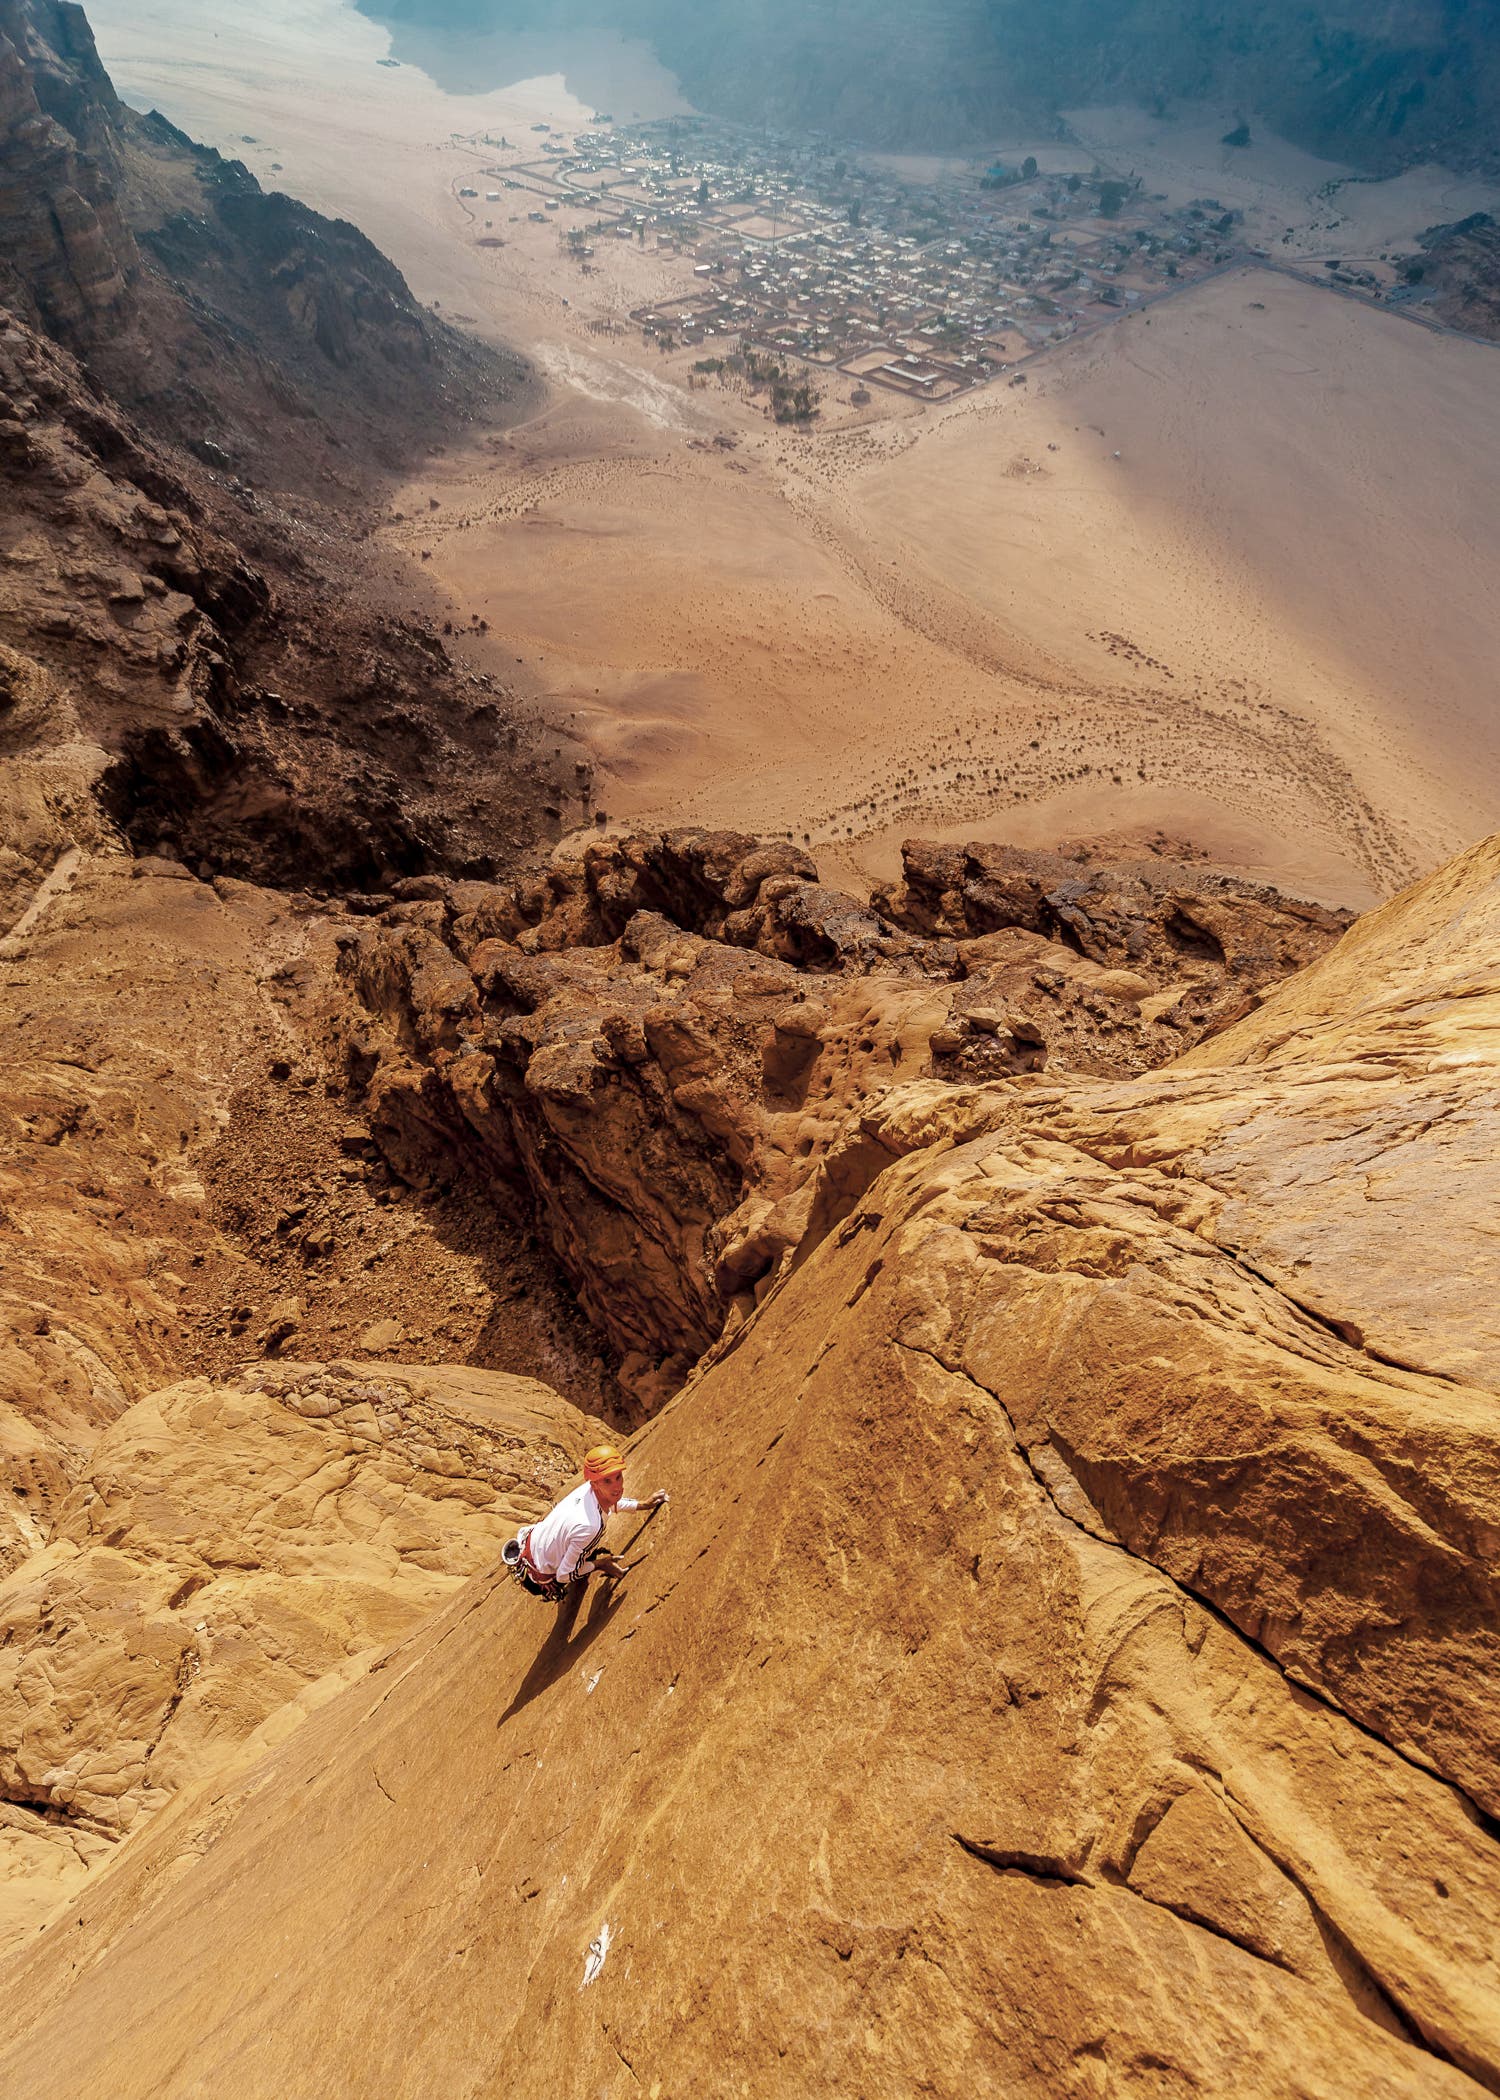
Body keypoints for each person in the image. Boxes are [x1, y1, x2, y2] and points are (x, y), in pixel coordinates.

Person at [503, 1446, 667, 1602]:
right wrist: (599, 1564)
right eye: (607, 1481)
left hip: (531, 1543)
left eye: (618, 1477)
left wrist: (643, 1505)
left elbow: (610, 1500)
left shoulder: (589, 1488)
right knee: (579, 1556)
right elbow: (563, 1576)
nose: (617, 1486)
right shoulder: (591, 1527)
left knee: (579, 1545)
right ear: (595, 1483)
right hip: (539, 1574)